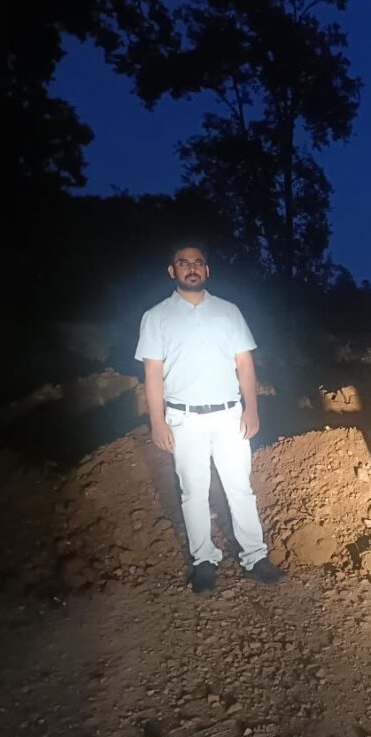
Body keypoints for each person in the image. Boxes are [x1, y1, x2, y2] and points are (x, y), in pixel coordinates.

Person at [135, 242, 283, 593]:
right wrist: (157, 421)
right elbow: (152, 373)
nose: (191, 267)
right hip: (184, 419)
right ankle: (203, 560)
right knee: (193, 492)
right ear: (172, 270)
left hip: (229, 415)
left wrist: (252, 408)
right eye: (183, 262)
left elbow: (244, 363)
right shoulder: (156, 317)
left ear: (207, 270)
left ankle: (255, 556)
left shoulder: (229, 312)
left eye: (198, 262)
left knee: (240, 488)